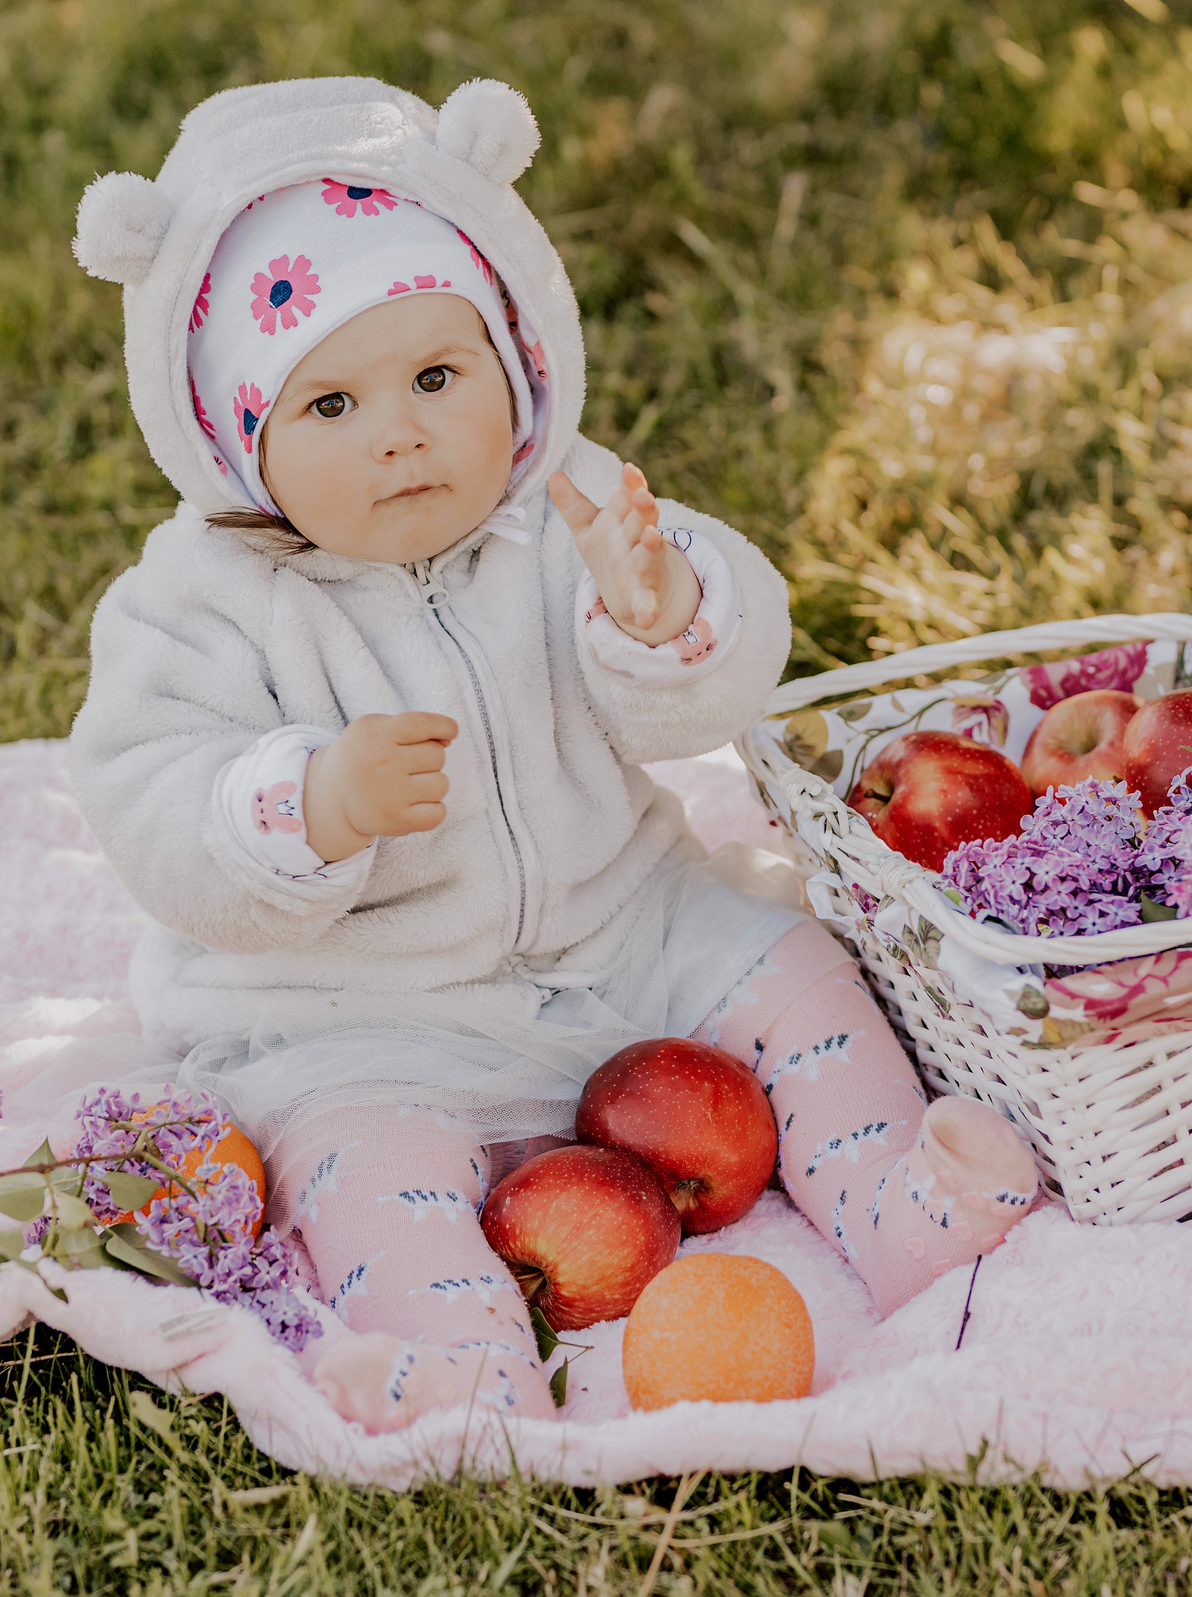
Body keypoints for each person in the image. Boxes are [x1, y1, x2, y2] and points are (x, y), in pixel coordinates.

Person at [67, 76, 1038, 1431]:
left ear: (514, 369)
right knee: (359, 1163)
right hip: (364, 1012)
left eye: (436, 376)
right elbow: (149, 793)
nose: (399, 430)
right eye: (329, 407)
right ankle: (455, 1359)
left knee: (791, 968)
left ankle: (899, 1201)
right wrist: (309, 804)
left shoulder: (562, 508)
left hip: (623, 927)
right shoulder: (196, 607)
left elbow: (705, 683)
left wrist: (661, 616)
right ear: (241, 439)